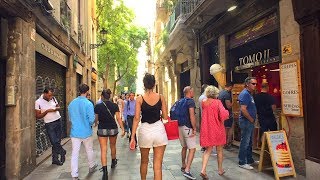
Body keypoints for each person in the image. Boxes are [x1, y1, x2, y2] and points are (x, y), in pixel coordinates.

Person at [130, 73, 168, 180]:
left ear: (144, 85)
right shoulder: (161, 97)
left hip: (145, 130)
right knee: (158, 165)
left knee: (144, 161)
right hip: (159, 130)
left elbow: (136, 118)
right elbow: (165, 116)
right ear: (154, 84)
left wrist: (132, 137)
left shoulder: (140, 99)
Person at [94, 89, 125, 180]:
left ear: (102, 96)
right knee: (113, 146)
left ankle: (105, 172)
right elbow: (118, 118)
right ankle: (113, 161)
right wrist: (123, 128)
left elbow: (96, 119)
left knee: (103, 149)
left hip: (102, 129)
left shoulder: (98, 106)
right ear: (110, 96)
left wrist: (96, 124)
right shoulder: (114, 105)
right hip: (112, 128)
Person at [68, 84, 97, 179]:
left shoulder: (71, 103)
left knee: (75, 153)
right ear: (87, 91)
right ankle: (91, 166)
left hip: (75, 132)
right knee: (89, 149)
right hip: (86, 132)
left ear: (79, 91)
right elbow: (92, 119)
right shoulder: (88, 104)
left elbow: (70, 118)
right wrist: (88, 124)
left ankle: (74, 174)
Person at [200, 86, 229, 178]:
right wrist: (228, 112)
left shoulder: (203, 102)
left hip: (207, 128)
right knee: (219, 150)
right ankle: (220, 170)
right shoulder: (217, 102)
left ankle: (203, 169)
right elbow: (223, 114)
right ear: (216, 94)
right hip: (217, 128)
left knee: (208, 150)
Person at [35, 87, 66, 165]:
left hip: (58, 120)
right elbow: (38, 116)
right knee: (54, 141)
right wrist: (47, 111)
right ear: (44, 94)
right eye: (49, 95)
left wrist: (56, 109)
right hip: (49, 123)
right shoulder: (38, 102)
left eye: (52, 95)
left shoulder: (53, 98)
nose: (51, 97)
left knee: (57, 141)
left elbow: (59, 107)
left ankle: (55, 159)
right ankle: (62, 152)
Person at [238, 77, 258, 170]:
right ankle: (242, 162)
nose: (255, 85)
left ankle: (249, 159)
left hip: (249, 121)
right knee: (245, 142)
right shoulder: (245, 94)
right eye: (253, 84)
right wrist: (251, 119)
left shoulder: (249, 94)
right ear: (247, 84)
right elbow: (243, 109)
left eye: (255, 84)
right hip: (246, 121)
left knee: (249, 141)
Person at [178, 86, 197, 180]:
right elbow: (192, 115)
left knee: (184, 147)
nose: (193, 92)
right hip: (187, 127)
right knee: (192, 149)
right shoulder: (190, 101)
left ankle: (183, 165)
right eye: (192, 90)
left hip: (180, 127)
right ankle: (187, 170)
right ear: (189, 92)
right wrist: (194, 128)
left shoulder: (180, 101)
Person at [218, 83, 234, 149]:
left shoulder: (220, 93)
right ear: (230, 87)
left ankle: (222, 143)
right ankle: (227, 143)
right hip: (227, 114)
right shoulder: (227, 94)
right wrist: (234, 102)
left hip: (221, 114)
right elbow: (228, 106)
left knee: (224, 129)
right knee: (229, 129)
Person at [198, 84, 208, 152]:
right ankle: (205, 146)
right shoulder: (205, 98)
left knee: (204, 132)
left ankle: (204, 146)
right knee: (206, 132)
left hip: (203, 116)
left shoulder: (201, 97)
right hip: (206, 117)